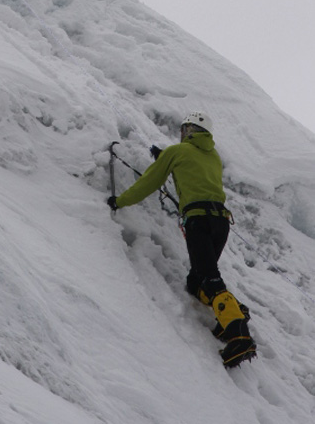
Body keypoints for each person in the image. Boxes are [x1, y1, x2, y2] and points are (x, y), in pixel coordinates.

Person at [107, 111, 257, 368]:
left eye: (184, 129)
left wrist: (120, 201)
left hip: (199, 220)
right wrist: (165, 156)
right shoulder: (213, 156)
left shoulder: (177, 152)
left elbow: (149, 183)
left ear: (189, 130)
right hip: (221, 222)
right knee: (196, 281)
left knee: (209, 279)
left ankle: (239, 335)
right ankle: (232, 311)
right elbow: (192, 169)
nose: (181, 133)